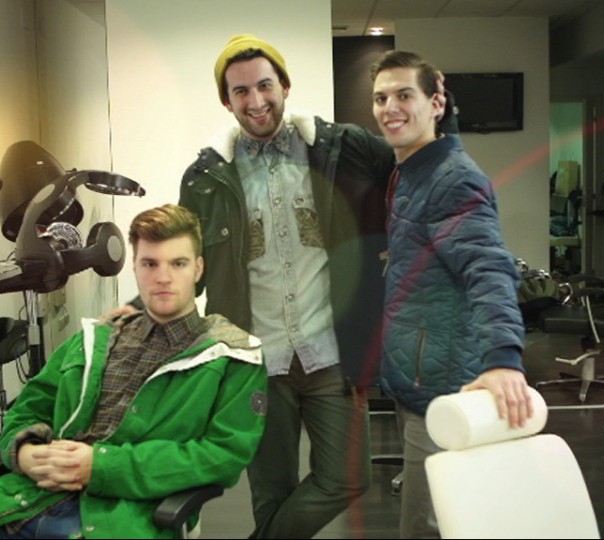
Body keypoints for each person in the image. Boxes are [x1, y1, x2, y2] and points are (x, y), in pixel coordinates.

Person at [0, 204, 267, 539]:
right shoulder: (94, 339)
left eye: (178, 263)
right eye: (149, 263)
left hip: (120, 518)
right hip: (18, 503)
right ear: (135, 268)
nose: (163, 277)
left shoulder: (231, 356)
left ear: (199, 268)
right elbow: (29, 408)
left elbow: (222, 455)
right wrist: (24, 451)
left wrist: (99, 467)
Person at [182, 34, 396, 539]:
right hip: (258, 362)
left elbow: (412, 162)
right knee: (271, 493)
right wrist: (139, 307)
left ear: (285, 86)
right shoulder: (206, 178)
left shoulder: (342, 148)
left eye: (265, 85)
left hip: (333, 352)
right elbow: (183, 262)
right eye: (240, 91)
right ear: (226, 101)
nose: (256, 101)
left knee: (348, 478)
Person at [370, 50, 534, 539]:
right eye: (381, 98)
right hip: (416, 374)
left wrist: (503, 358)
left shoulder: (452, 178)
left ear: (435, 103)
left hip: (440, 388)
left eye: (404, 95)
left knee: (425, 525)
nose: (389, 108)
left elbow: (488, 267)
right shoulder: (415, 167)